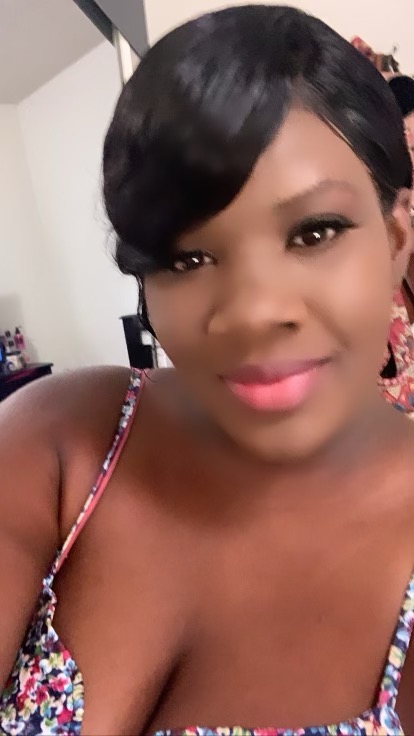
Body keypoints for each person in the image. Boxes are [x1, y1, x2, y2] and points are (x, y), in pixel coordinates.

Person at [0, 5, 414, 735]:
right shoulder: (64, 438)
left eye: (314, 232)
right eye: (186, 258)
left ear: (396, 237)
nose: (251, 313)